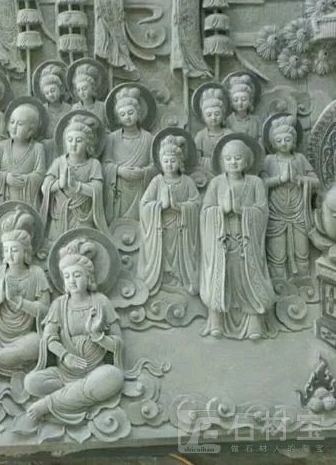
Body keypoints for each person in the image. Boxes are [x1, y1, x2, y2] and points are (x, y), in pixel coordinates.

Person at [24, 238, 124, 424]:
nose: (72, 280)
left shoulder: (101, 301)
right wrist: (65, 356)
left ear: (89, 277)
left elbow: (118, 343)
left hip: (95, 371)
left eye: (77, 275)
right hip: (64, 373)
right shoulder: (59, 304)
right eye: (67, 276)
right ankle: (73, 395)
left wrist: (97, 336)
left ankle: (48, 404)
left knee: (113, 377)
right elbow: (49, 338)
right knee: (31, 383)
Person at [200, 138, 278, 340]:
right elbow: (205, 211)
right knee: (221, 279)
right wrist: (221, 211)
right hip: (222, 242)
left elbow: (263, 211)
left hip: (247, 243)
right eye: (228, 159)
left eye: (237, 158)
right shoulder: (216, 183)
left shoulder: (255, 183)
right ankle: (217, 320)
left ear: (247, 160)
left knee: (248, 281)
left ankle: (254, 322)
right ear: (222, 162)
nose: (233, 162)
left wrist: (243, 210)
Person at [0, 207, 50, 378]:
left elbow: (45, 311)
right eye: (6, 250)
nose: (10, 255)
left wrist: (19, 302)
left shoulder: (36, 274)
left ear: (26, 251)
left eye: (15, 250)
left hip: (25, 336)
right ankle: (12, 359)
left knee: (38, 344)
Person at [138, 136, 200, 296]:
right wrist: (160, 206)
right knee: (163, 253)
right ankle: (163, 279)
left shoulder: (187, 181)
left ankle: (180, 279)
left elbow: (197, 204)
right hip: (161, 227)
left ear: (179, 161)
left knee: (179, 255)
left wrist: (181, 207)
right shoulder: (157, 181)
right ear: (160, 162)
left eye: (173, 161)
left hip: (181, 228)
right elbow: (144, 204)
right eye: (165, 161)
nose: (169, 164)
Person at [261, 115, 319, 278]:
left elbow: (316, 182)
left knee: (302, 253)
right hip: (275, 213)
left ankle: (304, 283)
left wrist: (300, 179)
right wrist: (280, 179)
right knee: (277, 255)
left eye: (287, 139)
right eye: (279, 140)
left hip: (299, 211)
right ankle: (280, 283)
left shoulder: (299, 159)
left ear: (294, 141)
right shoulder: (269, 160)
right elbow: (261, 184)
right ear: (273, 143)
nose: (283, 143)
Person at [41, 113, 109, 241]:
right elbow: (45, 188)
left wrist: (77, 186)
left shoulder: (93, 164)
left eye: (79, 140)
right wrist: (59, 184)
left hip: (83, 218)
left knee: (83, 242)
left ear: (88, 143)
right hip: (59, 217)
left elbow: (97, 189)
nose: (73, 144)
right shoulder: (59, 162)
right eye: (69, 139)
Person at [102, 86, 155, 222]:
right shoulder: (112, 138)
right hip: (119, 189)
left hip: (141, 187)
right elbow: (105, 165)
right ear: (118, 118)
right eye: (123, 114)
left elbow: (155, 166)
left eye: (130, 112)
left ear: (138, 112)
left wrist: (143, 172)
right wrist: (119, 170)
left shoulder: (149, 138)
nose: (127, 117)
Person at [0, 103, 45, 213]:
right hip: (3, 199)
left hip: (26, 201)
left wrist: (25, 179)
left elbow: (40, 174)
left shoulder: (37, 148)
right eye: (12, 122)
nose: (14, 126)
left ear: (30, 130)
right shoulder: (2, 146)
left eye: (20, 124)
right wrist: (5, 177)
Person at [38, 64, 71, 166]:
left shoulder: (69, 108)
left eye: (53, 90)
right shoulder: (42, 110)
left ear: (60, 89)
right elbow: (38, 133)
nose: (50, 95)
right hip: (48, 148)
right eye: (47, 93)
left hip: (66, 146)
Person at [194, 87, 232, 174]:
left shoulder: (229, 134)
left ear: (223, 115)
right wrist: (210, 162)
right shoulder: (200, 136)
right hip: (205, 173)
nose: (213, 118)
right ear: (204, 117)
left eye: (217, 114)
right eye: (209, 115)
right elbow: (196, 159)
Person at [225, 74, 262, 142]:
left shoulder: (256, 120)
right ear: (231, 102)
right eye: (236, 100)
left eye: (244, 99)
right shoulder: (228, 121)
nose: (240, 103)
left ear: (250, 100)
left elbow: (260, 141)